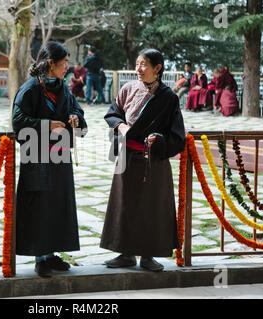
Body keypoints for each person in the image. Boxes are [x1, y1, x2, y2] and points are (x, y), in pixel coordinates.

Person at [100, 48, 186, 272]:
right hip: (127, 157)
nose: (138, 69)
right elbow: (112, 113)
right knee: (125, 205)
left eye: (144, 64)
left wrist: (158, 139)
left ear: (157, 68)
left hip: (153, 160)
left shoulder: (168, 98)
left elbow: (177, 136)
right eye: (137, 64)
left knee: (152, 207)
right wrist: (121, 126)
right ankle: (125, 253)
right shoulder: (128, 89)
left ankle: (148, 256)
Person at [12, 41, 87, 278]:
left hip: (60, 158)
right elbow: (18, 122)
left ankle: (53, 253)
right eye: (64, 63)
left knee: (58, 204)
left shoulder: (64, 89)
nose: (67, 67)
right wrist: (46, 125)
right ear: (51, 64)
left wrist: (76, 118)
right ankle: (40, 257)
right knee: (40, 206)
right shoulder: (30, 89)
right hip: (37, 157)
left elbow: (79, 114)